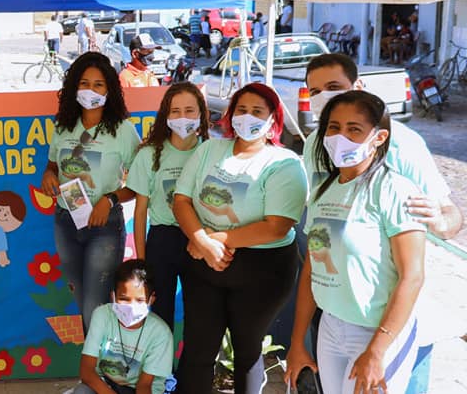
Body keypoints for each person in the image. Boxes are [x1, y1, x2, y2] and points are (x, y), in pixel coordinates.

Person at [286, 91, 426, 394]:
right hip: (331, 327)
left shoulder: (395, 191)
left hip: (378, 333)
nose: (341, 137)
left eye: (354, 129)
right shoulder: (323, 191)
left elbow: (412, 276)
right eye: (334, 127)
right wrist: (297, 342)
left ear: (379, 137)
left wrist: (377, 350)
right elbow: (311, 270)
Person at [172, 82, 308, 394]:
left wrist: (214, 240)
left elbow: (276, 226)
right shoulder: (209, 149)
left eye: (257, 111)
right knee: (197, 349)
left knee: (247, 351)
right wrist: (202, 242)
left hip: (262, 269)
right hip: (202, 260)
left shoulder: (284, 163)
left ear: (273, 119)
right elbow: (181, 200)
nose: (248, 117)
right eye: (241, 109)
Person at [303, 52, 462, 239]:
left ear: (358, 87)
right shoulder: (313, 143)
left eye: (333, 87)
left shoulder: (401, 142)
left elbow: (446, 210)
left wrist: (442, 224)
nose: (325, 97)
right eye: (315, 92)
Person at [40, 52, 141, 331]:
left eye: (98, 85)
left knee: (95, 306)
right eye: (84, 83)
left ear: (109, 89)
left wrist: (110, 200)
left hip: (103, 226)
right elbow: (52, 164)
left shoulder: (122, 130)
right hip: (66, 221)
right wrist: (48, 175)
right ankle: (97, 357)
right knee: (83, 301)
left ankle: (96, 360)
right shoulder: (63, 126)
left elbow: (139, 184)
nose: (90, 91)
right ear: (74, 87)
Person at [127, 83, 209, 332]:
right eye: (175, 111)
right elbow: (140, 211)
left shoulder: (210, 152)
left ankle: (194, 360)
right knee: (161, 315)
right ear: (165, 115)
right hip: (163, 240)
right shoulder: (149, 155)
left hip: (200, 238)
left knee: (200, 312)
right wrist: (142, 261)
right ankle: (162, 359)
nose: (182, 117)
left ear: (201, 114)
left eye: (189, 111)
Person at [74, 259, 174, 394]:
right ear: (113, 296)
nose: (131, 307)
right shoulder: (102, 315)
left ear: (151, 300)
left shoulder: (161, 334)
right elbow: (86, 372)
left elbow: (144, 385)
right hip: (106, 384)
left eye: (140, 300)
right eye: (124, 299)